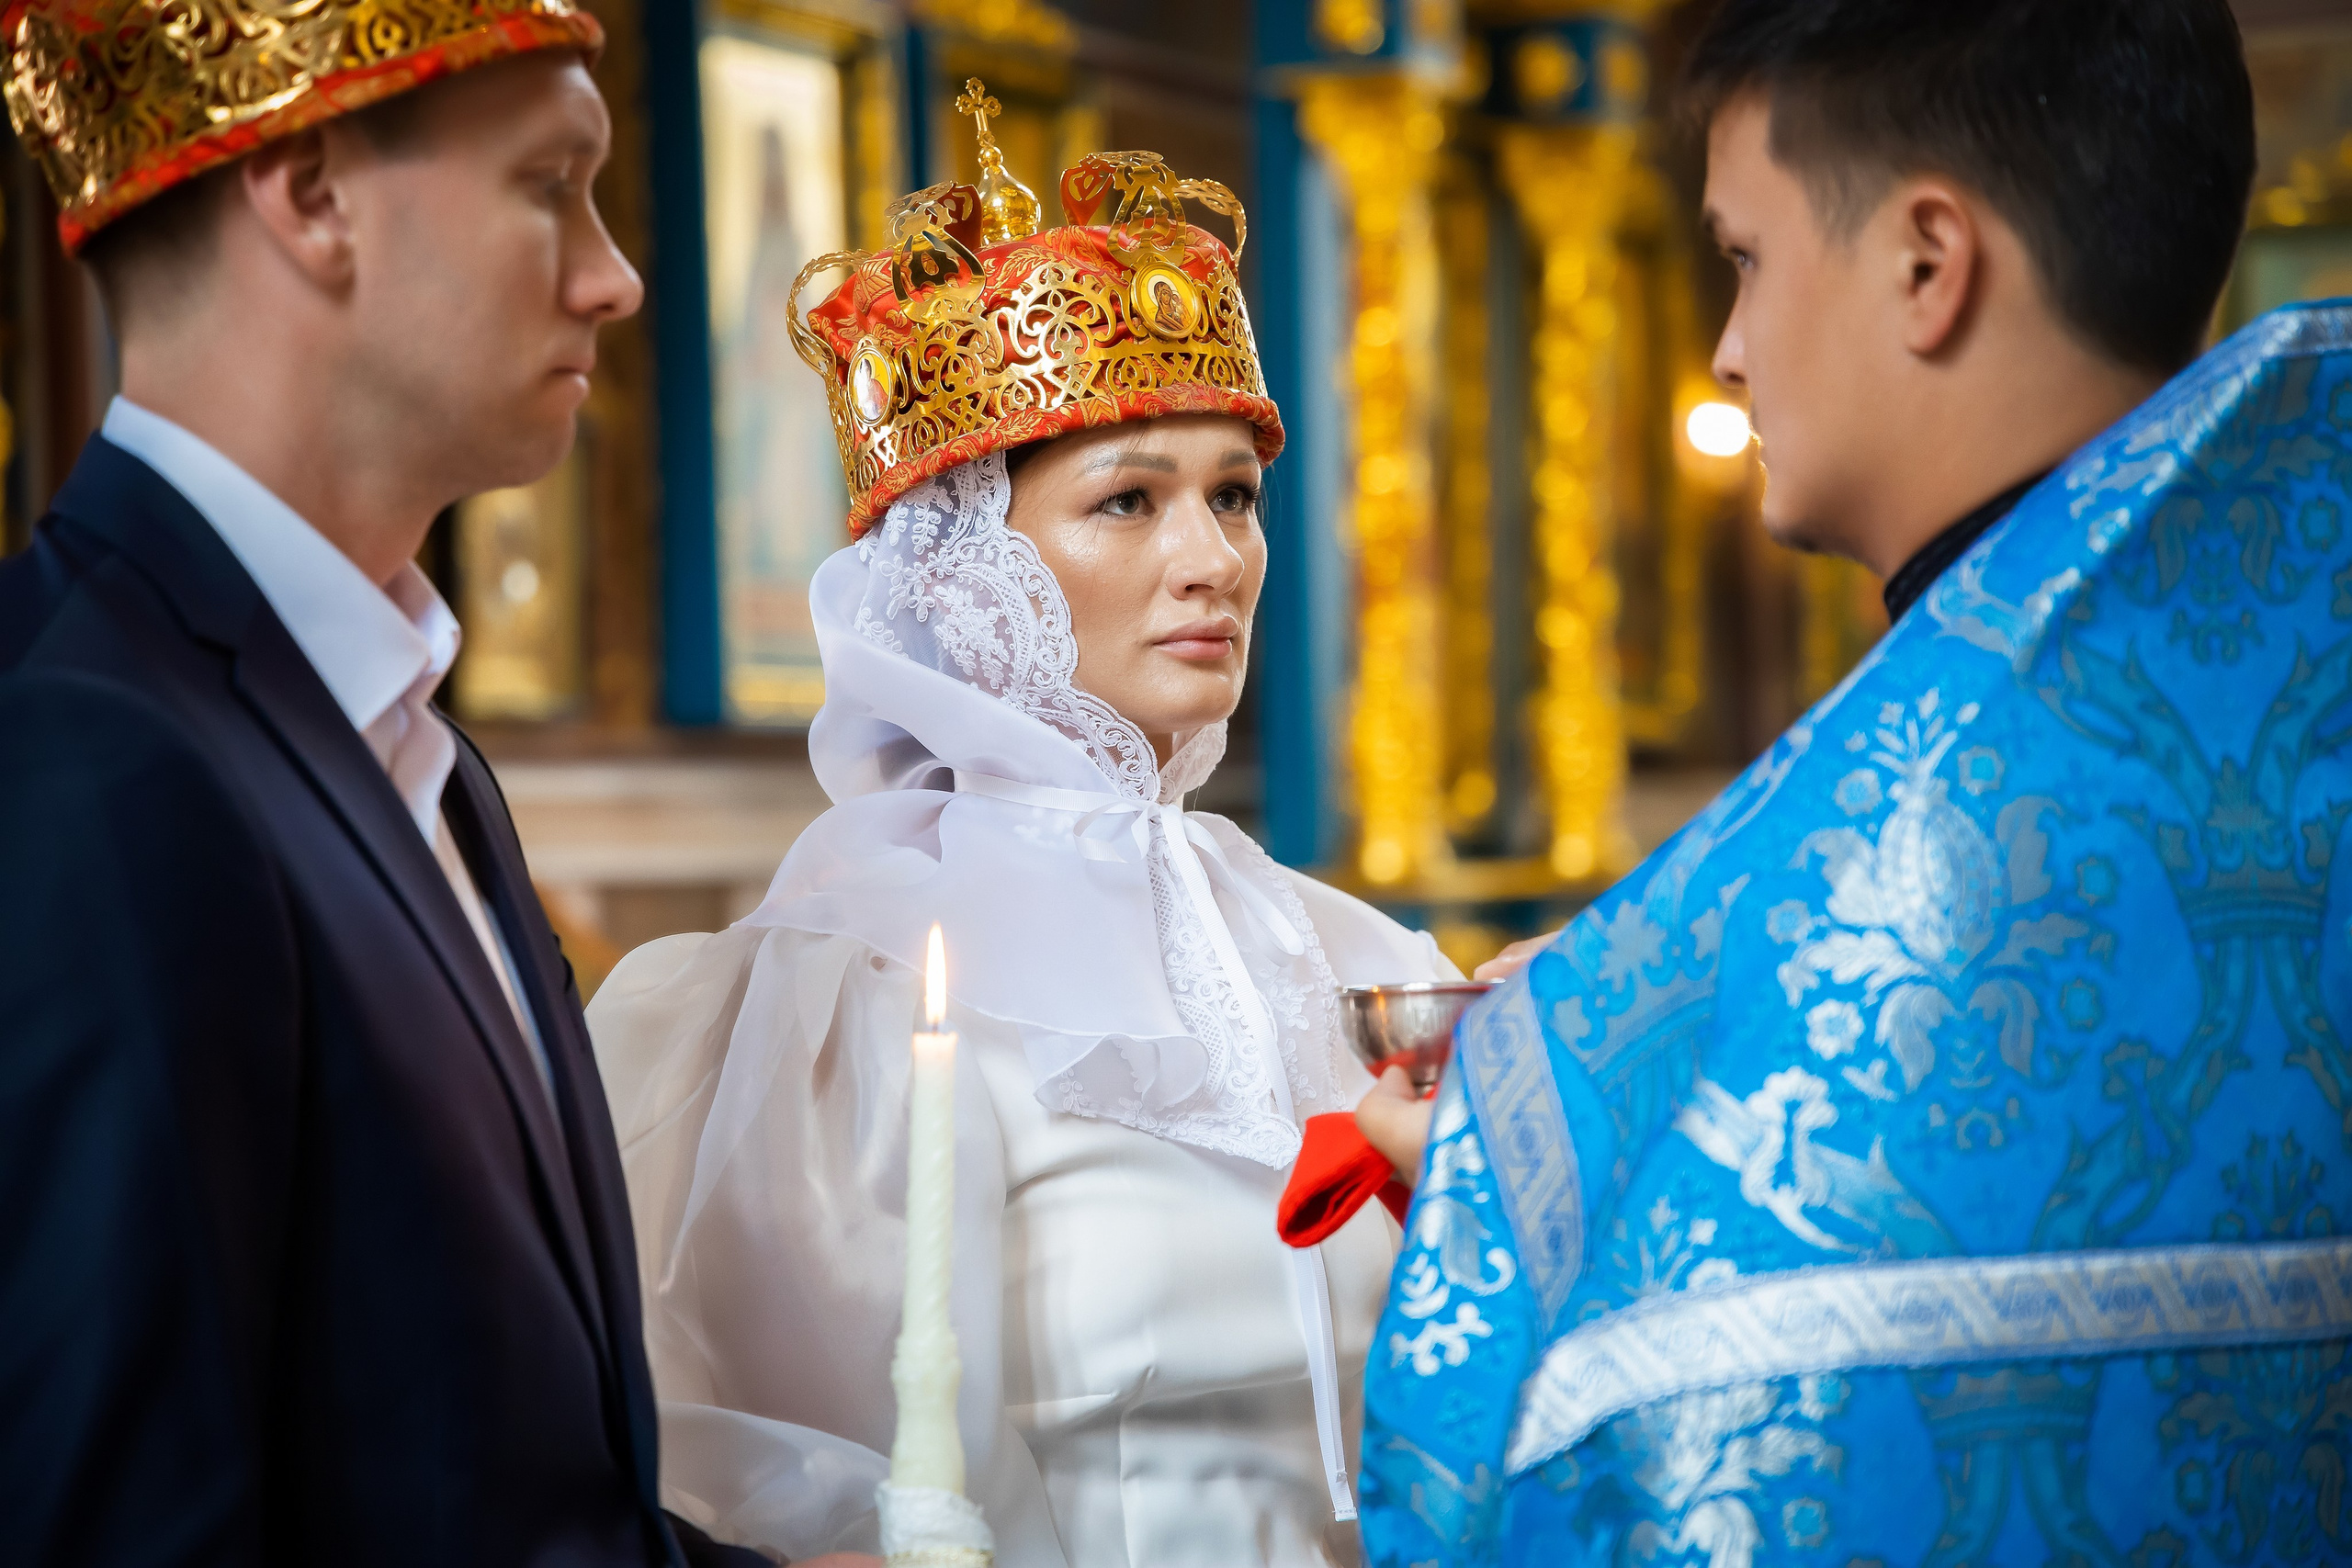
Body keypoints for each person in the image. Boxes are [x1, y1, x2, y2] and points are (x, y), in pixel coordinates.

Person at [1352, 3, 2352, 1564]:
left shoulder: (1904, 851)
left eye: (1744, 259)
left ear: (1926, 263)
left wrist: (1507, 1180)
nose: (1728, 348)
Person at [0, 5, 856, 1563]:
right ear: (313, 195)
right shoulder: (88, 760)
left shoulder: (420, 752)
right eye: (552, 182)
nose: (615, 272)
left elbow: (496, 1497)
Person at [587, 114, 1457, 1566]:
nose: (1213, 560)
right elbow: (746, 1482)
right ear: (963, 574)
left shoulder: (1353, 960)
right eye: (1130, 499)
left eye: (1233, 496)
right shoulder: (836, 1001)